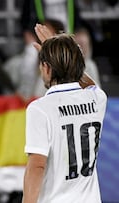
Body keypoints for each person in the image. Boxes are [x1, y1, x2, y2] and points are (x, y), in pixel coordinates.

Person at [22, 24, 107, 203]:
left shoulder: (40, 108)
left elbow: (37, 165)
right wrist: (62, 55)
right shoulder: (97, 99)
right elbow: (88, 83)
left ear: (46, 68)